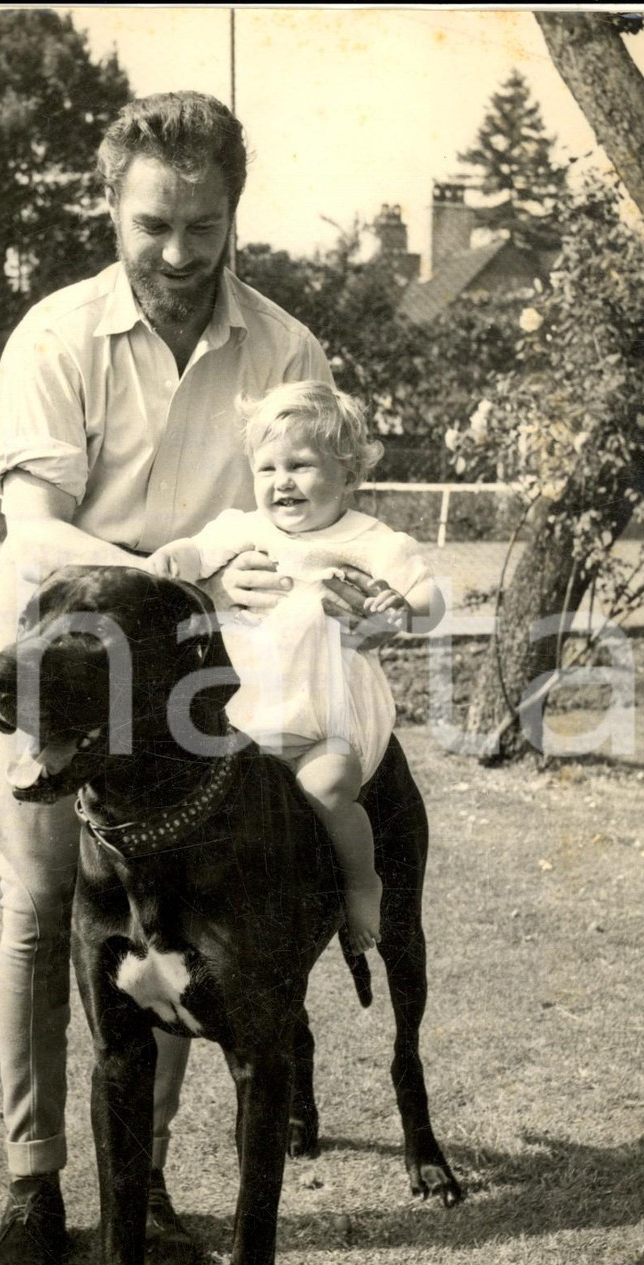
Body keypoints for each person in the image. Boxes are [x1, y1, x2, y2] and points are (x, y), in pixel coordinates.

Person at [0, 91, 391, 1265]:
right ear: (110, 206)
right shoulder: (54, 334)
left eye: (206, 224)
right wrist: (177, 565)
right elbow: (35, 536)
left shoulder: (284, 344)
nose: (183, 253)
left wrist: (342, 589)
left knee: (178, 912)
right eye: (155, 223)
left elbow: (299, 511)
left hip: (192, 679)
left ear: (233, 209)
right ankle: (35, 1185)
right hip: (48, 655)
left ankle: (135, 1193)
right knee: (49, 907)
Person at [148, 381, 443, 953]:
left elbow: (427, 594)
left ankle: (363, 884)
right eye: (267, 468)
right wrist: (172, 560)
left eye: (301, 466)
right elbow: (194, 552)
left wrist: (407, 608)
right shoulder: (243, 530)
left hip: (326, 721)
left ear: (349, 475)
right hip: (241, 726)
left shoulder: (365, 538)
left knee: (331, 787)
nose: (281, 481)